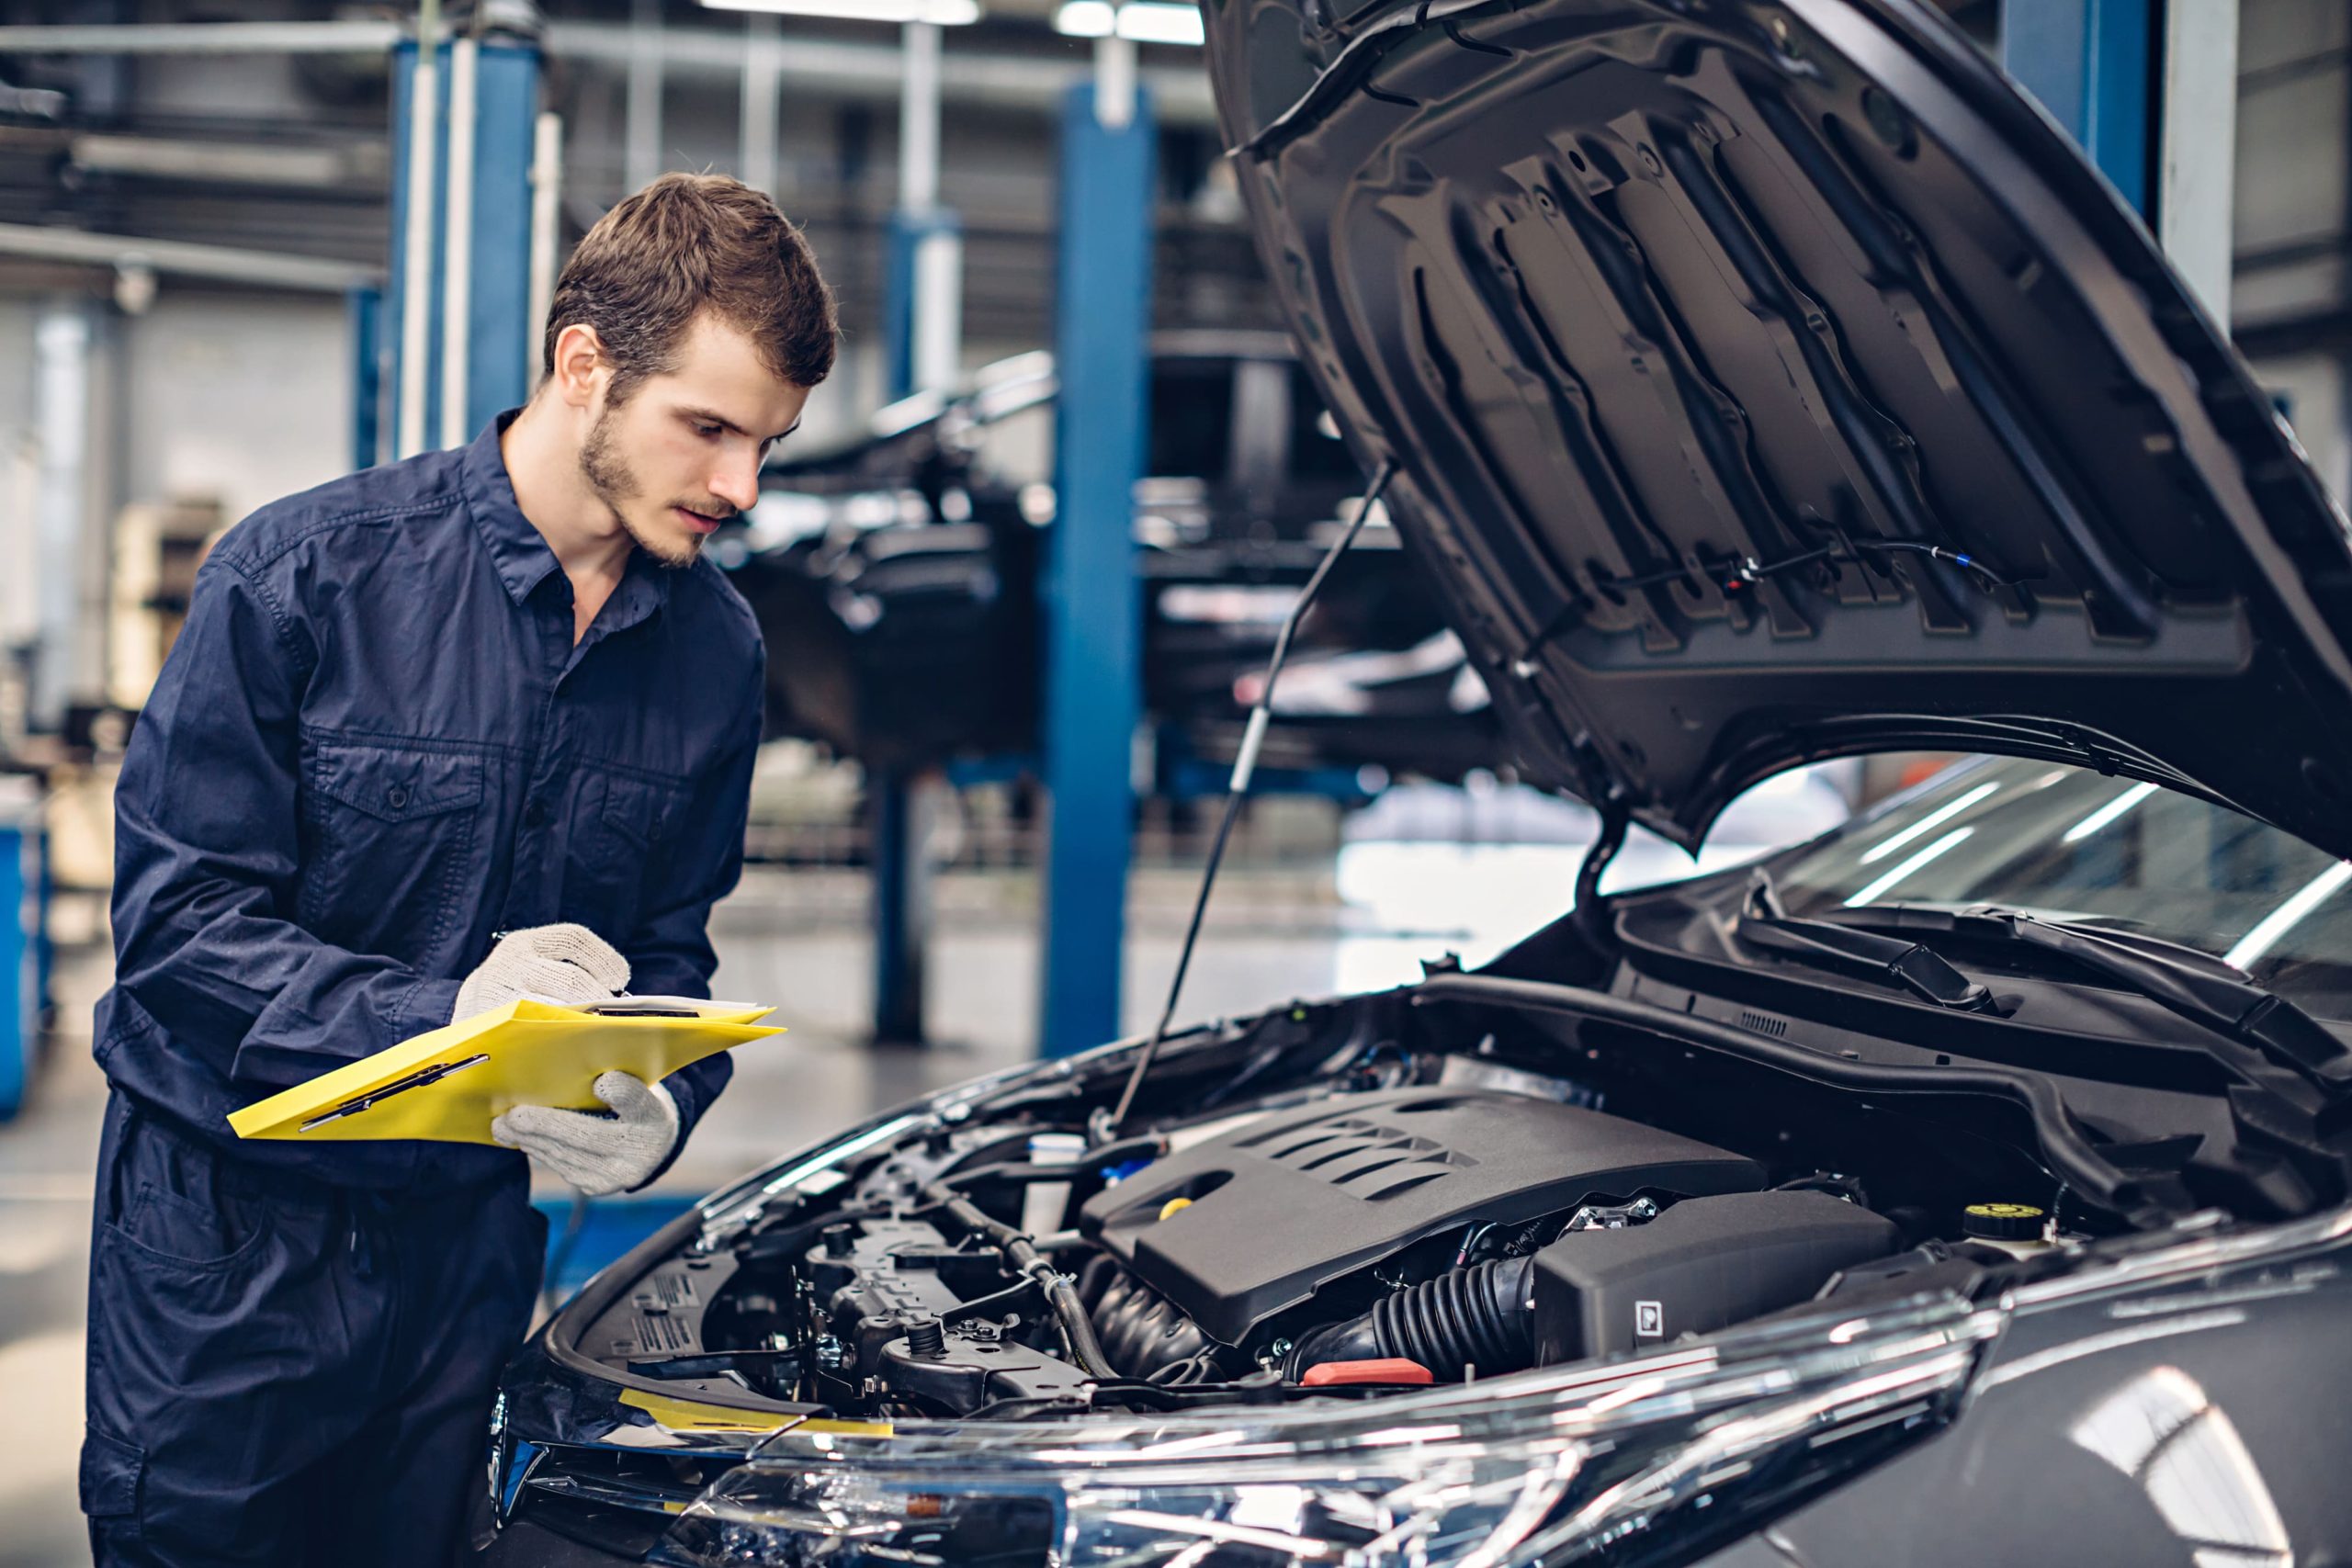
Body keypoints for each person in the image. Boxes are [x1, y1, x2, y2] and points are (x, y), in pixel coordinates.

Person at [78, 173, 836, 1566]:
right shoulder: (303, 580)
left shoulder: (715, 652)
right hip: (236, 1260)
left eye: (769, 446)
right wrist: (440, 1023)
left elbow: (672, 953)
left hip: (468, 1264)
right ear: (584, 364)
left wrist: (660, 1102)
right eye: (710, 429)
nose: (741, 487)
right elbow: (181, 937)